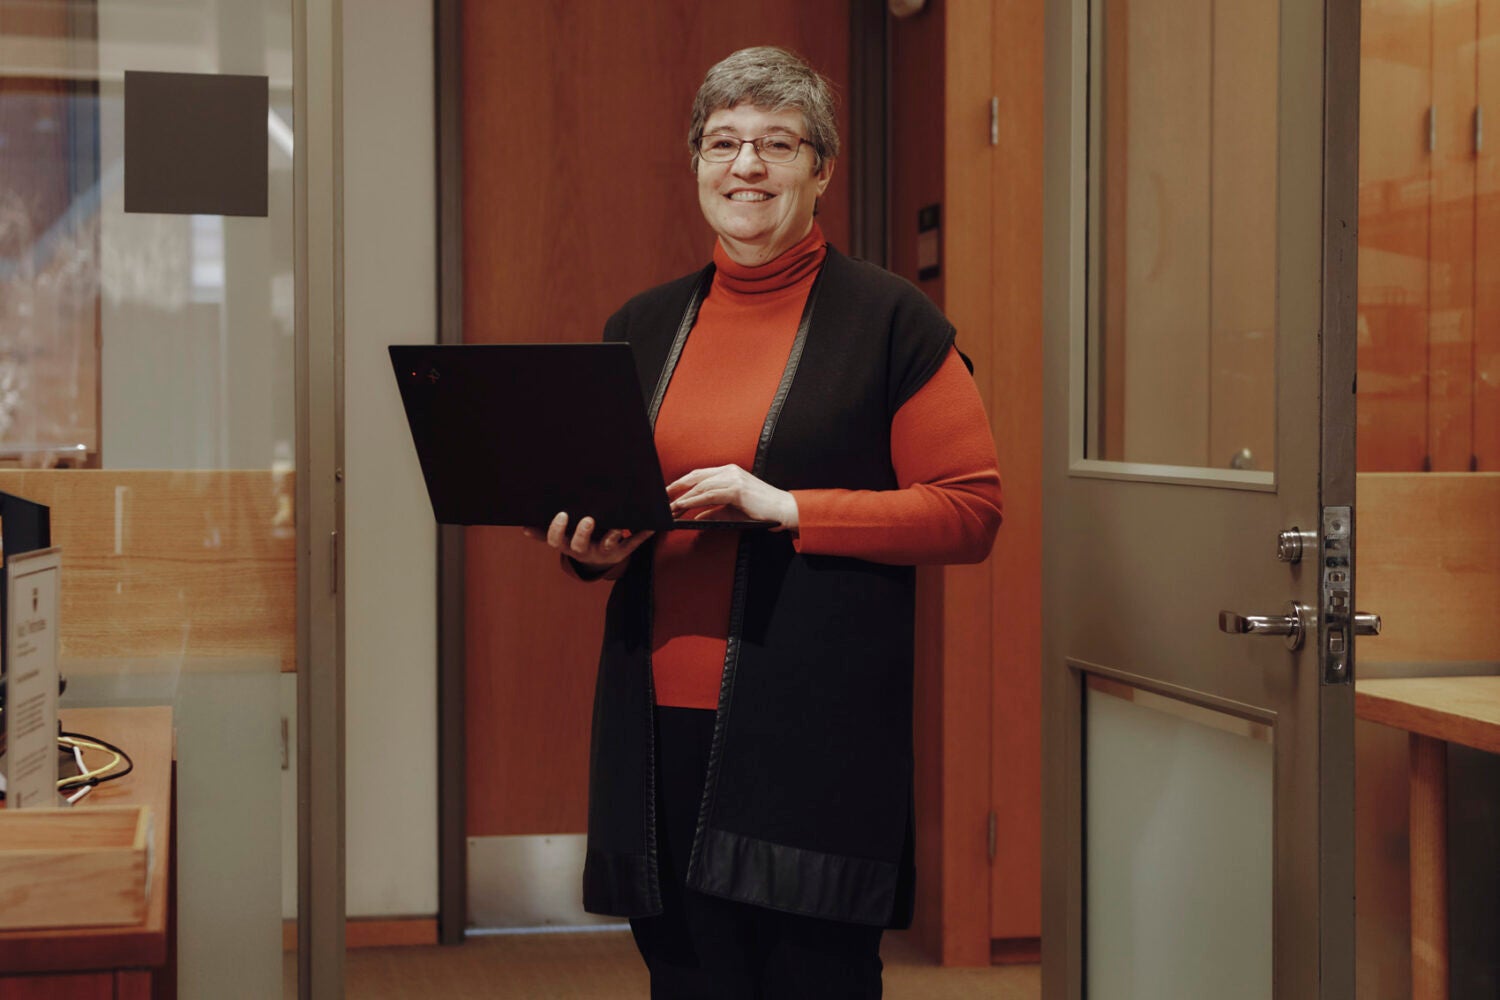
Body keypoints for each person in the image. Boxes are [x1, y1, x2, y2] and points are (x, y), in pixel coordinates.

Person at [522, 46, 1003, 999]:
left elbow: (970, 511)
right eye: (723, 142)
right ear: (697, 163)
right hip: (658, 729)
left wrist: (783, 507)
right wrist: (591, 551)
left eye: (778, 144)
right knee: (687, 979)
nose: (746, 165)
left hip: (815, 735)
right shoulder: (641, 326)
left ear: (821, 170)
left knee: (812, 981)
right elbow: (610, 502)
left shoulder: (892, 322)